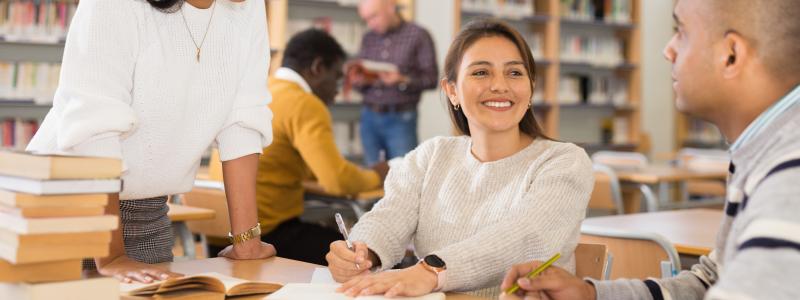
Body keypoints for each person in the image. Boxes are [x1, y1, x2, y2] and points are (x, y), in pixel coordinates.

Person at [500, 0, 800, 299]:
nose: (667, 50)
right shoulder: (760, 152)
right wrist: (591, 295)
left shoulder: (789, 175)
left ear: (730, 55)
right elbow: (711, 281)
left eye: (680, 32)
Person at [325, 19, 594, 298]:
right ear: (451, 90)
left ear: (531, 88)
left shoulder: (566, 161)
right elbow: (389, 216)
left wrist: (431, 272)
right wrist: (361, 251)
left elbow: (527, 237)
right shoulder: (431, 156)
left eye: (514, 73)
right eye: (481, 72)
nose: (500, 85)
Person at [26, 0, 276, 283]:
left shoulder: (248, 6)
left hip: (148, 212)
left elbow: (241, 119)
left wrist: (247, 242)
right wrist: (111, 258)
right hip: (66, 211)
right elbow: (94, 126)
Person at [255, 29, 389, 266]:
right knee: (371, 256)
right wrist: (377, 175)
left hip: (228, 233)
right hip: (269, 235)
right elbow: (336, 180)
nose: (337, 92)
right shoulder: (305, 104)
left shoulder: (262, 88)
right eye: (337, 78)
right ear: (317, 68)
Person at [351, 0, 438, 166]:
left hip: (401, 119)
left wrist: (402, 80)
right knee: (372, 176)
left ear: (391, 7)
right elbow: (360, 78)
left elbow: (431, 79)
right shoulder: (368, 38)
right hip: (368, 116)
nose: (370, 23)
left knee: (405, 174)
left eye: (374, 16)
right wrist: (358, 79)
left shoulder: (418, 35)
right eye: (366, 19)